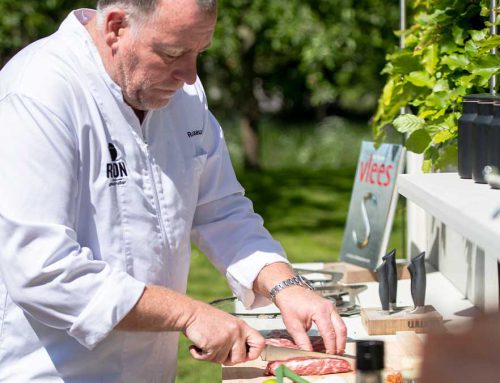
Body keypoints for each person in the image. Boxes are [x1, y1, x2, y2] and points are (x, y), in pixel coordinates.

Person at [0, 0, 346, 382]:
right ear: (116, 26)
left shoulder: (184, 95)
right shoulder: (39, 92)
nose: (188, 75)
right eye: (172, 53)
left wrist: (285, 283)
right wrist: (189, 314)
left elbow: (220, 210)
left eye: (199, 52)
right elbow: (42, 270)